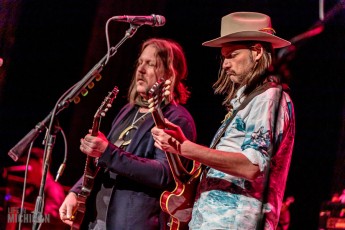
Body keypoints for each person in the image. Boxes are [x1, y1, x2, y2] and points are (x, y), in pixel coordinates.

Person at [151, 12, 295, 229]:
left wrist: (185, 147)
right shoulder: (250, 102)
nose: (225, 64)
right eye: (224, 56)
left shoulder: (269, 99)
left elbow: (251, 166)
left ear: (256, 51)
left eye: (232, 55)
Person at [59, 38, 197, 229]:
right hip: (97, 220)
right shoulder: (128, 110)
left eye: (150, 64)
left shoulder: (175, 118)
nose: (140, 70)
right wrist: (76, 192)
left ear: (168, 74)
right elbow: (104, 161)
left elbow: (164, 174)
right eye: (140, 62)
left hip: (131, 222)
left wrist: (108, 151)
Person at [5, 147, 66, 229]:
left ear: (41, 163)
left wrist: (20, 215)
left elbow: (53, 217)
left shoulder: (53, 188)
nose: (27, 172)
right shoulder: (33, 189)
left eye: (30, 166)